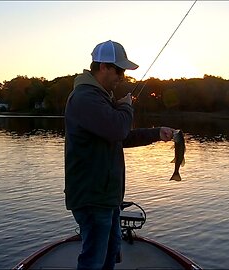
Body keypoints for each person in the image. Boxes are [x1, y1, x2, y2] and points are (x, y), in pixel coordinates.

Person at [64, 40, 174, 270]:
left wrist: (156, 133)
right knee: (94, 259)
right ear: (103, 66)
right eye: (119, 69)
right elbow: (118, 128)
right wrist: (126, 107)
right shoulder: (85, 98)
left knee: (110, 253)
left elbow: (121, 137)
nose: (122, 76)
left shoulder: (100, 98)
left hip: (106, 197)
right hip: (93, 197)